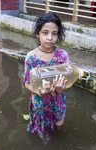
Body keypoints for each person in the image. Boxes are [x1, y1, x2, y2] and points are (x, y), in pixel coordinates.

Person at [23, 12, 70, 144]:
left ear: (58, 35)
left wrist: (61, 90)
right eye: (45, 33)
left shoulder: (62, 56)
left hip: (59, 102)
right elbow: (27, 83)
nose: (50, 38)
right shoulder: (31, 57)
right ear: (38, 33)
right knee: (45, 138)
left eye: (54, 33)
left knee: (59, 130)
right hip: (40, 104)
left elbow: (67, 81)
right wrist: (39, 92)